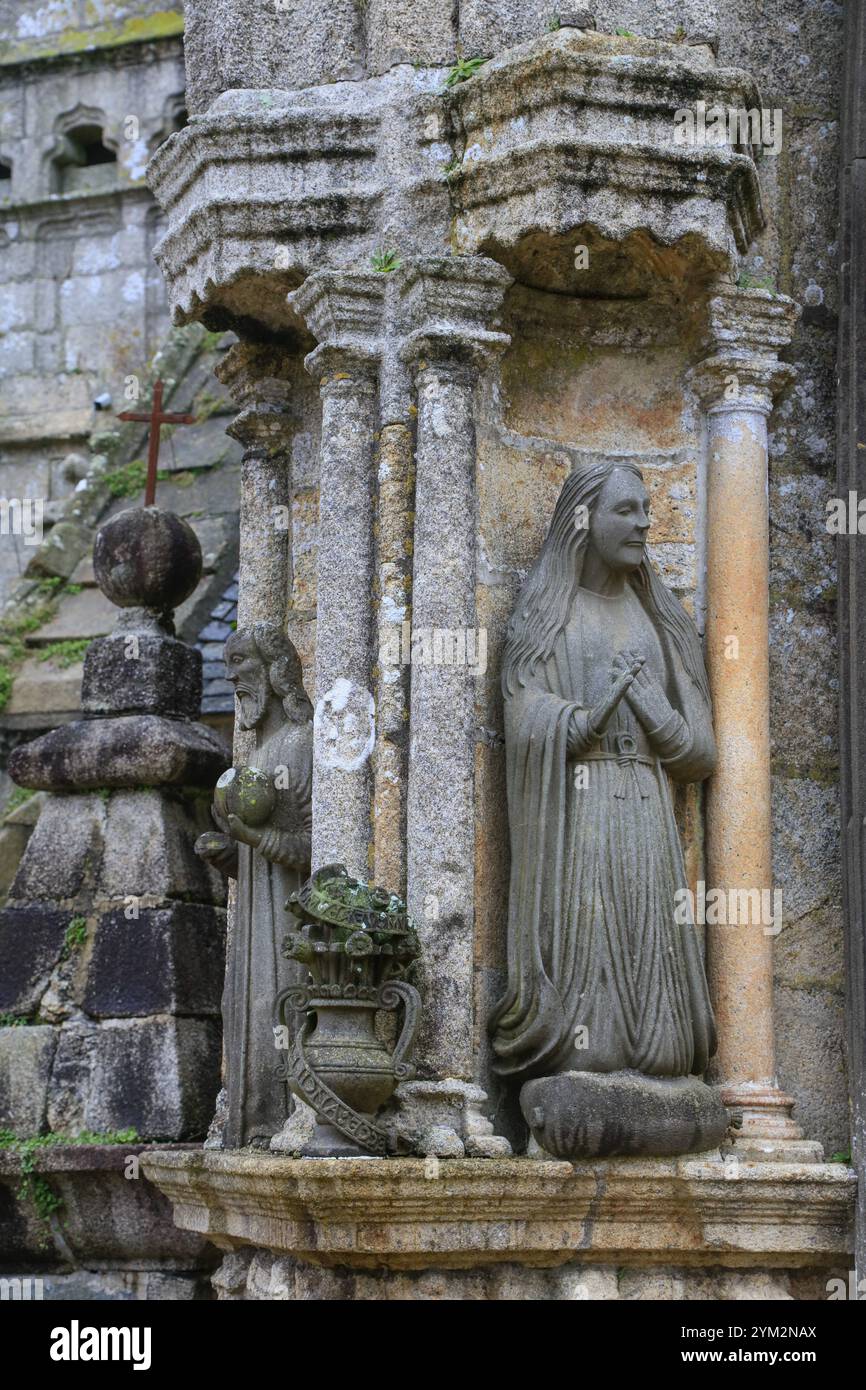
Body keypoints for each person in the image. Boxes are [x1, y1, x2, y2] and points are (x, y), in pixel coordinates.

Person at [490, 460, 718, 1088]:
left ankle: (663, 1064)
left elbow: (701, 755)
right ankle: (580, 1059)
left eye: (647, 508)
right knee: (588, 1009)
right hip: (578, 810)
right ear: (584, 519)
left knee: (663, 1032)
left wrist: (648, 705)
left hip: (645, 804)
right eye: (627, 510)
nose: (645, 522)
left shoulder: (663, 621)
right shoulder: (544, 616)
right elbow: (523, 715)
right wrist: (580, 721)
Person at [196, 623, 312, 1147]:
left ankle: (289, 1120)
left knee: (280, 1005)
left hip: (291, 923)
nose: (231, 674)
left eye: (241, 661)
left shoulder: (303, 745)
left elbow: (318, 849)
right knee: (249, 1011)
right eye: (228, 663)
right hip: (254, 924)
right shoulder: (249, 764)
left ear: (275, 670)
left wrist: (256, 838)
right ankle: (254, 1125)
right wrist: (230, 855)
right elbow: (257, 857)